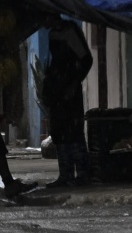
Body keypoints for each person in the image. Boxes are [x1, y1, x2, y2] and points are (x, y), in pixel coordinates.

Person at [40, 21, 94, 187]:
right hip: (57, 90)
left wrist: (73, 84)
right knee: (59, 132)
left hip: (69, 91)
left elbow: (86, 60)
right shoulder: (52, 33)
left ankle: (83, 175)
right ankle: (66, 175)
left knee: (74, 132)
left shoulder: (70, 31)